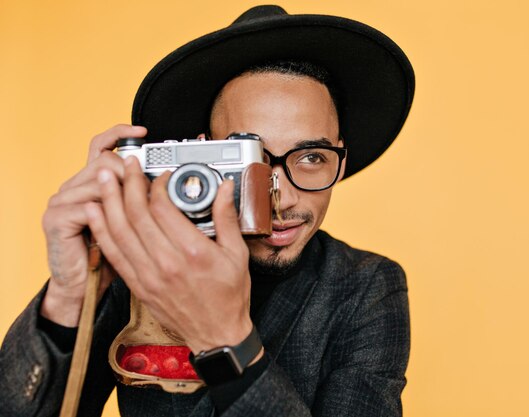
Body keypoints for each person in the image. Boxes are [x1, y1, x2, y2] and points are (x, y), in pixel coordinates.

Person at [0, 5, 414, 416]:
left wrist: (227, 339)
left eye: (311, 157)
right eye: (250, 161)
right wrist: (68, 297)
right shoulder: (140, 267)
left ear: (340, 162)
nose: (281, 198)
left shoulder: (366, 288)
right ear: (202, 157)